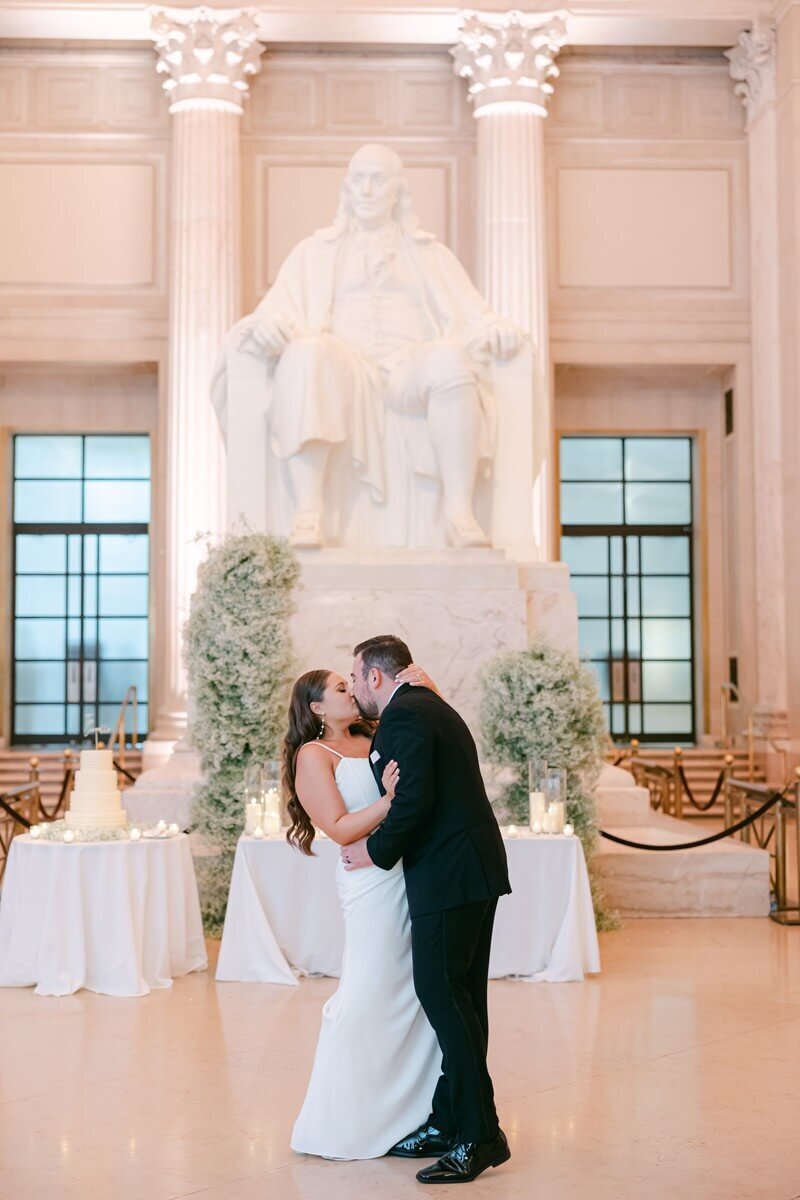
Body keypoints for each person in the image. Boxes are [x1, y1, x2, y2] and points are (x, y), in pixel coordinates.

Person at [220, 142, 524, 549]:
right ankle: (309, 511)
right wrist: (264, 326)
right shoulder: (313, 253)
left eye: (377, 180)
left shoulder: (430, 254)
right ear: (347, 188)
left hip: (407, 369)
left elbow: (474, 314)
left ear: (397, 190)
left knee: (450, 360)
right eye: (358, 179)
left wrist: (495, 328)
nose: (366, 190)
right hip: (342, 368)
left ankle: (459, 511)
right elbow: (269, 315)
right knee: (307, 352)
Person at [343, 634, 512, 1185]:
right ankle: (447, 1121)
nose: (353, 687)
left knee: (444, 996)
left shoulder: (405, 716)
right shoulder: (428, 705)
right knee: (463, 1000)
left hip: (448, 874)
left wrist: (374, 850)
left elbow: (414, 797)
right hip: (470, 870)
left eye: (355, 676)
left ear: (376, 676)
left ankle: (478, 1134)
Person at [285, 664, 441, 1160]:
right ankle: (346, 1120)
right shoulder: (314, 755)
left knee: (414, 993)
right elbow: (339, 827)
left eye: (351, 683)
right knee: (369, 988)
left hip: (408, 873)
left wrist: (429, 691)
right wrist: (391, 800)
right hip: (369, 880)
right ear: (315, 708)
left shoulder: (375, 734)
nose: (351, 691)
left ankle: (411, 1112)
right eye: (339, 688)